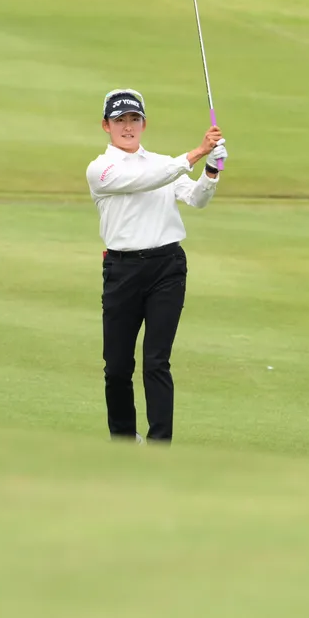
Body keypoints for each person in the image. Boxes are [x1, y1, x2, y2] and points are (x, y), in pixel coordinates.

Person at [86, 88, 227, 444]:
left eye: (134, 119)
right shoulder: (100, 169)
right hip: (122, 271)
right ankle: (123, 441)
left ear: (144, 124)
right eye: (120, 120)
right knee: (117, 367)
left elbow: (196, 199)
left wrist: (211, 169)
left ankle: (159, 446)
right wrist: (197, 152)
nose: (128, 127)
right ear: (106, 126)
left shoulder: (163, 163)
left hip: (167, 268)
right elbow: (146, 180)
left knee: (156, 361)